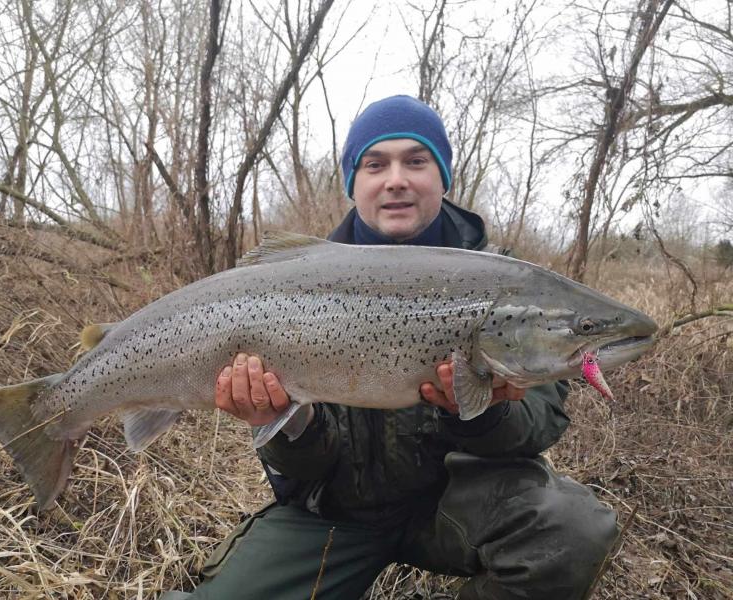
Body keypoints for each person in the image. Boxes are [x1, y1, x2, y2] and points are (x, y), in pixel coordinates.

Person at [161, 95, 618, 600]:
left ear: (443, 177)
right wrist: (286, 420)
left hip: (454, 505)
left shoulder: (513, 286)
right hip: (333, 512)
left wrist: (482, 411)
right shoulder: (294, 285)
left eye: (416, 161)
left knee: (573, 528)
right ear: (353, 184)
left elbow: (537, 429)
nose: (396, 178)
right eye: (375, 164)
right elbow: (305, 471)